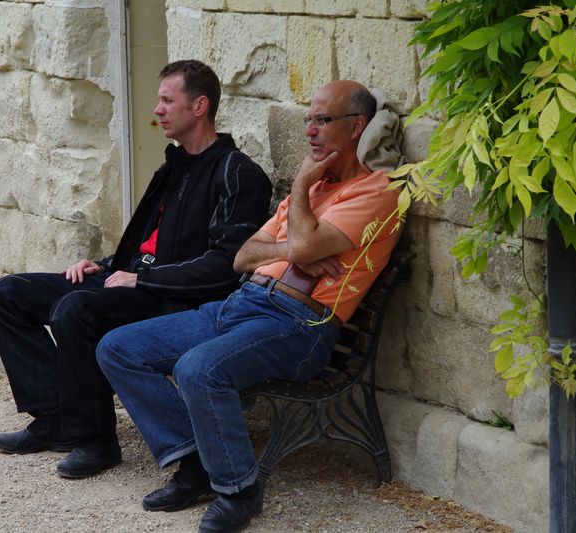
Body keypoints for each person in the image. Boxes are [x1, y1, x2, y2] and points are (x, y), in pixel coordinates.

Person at [96, 80, 401, 533]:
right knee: (117, 348)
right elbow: (243, 256)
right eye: (309, 119)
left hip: (300, 324)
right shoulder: (309, 194)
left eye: (322, 120)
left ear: (356, 126)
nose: (310, 130)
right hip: (241, 303)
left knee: (198, 369)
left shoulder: (377, 191)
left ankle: (238, 491)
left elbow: (302, 244)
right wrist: (293, 251)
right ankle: (197, 463)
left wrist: (301, 187)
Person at [0, 60, 271, 479]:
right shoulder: (174, 166)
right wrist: (103, 266)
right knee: (6, 295)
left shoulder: (238, 174)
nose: (157, 110)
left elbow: (226, 266)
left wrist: (143, 278)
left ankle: (96, 441)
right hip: (134, 279)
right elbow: (147, 242)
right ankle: (54, 418)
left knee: (76, 311)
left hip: (173, 298)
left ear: (199, 106)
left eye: (167, 100)